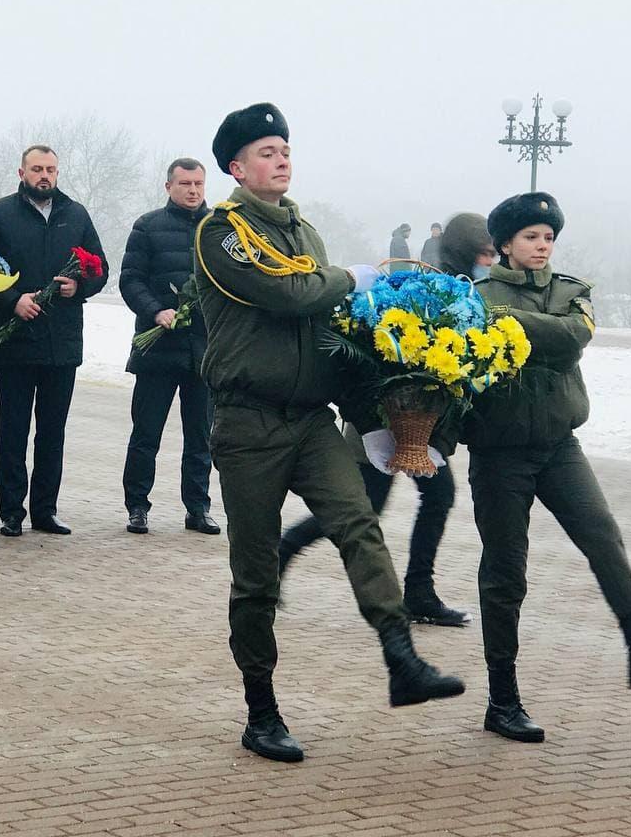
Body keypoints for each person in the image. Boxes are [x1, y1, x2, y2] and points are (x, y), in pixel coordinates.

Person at [195, 103, 463, 763]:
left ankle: (401, 659)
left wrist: (377, 414)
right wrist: (354, 277)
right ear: (236, 167)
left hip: (312, 419)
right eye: (265, 150)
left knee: (358, 524)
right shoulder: (219, 232)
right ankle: (262, 711)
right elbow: (294, 295)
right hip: (248, 423)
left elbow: (326, 328)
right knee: (255, 579)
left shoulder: (305, 233)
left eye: (284, 147)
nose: (281, 158)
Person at [464, 192, 631, 743]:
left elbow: (573, 341)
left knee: (603, 536)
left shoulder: (573, 291)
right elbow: (542, 336)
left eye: (548, 237)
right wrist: (532, 328)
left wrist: (510, 325)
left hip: (558, 446)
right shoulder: (474, 296)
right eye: (531, 237)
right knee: (505, 574)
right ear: (504, 244)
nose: (542, 246)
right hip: (500, 455)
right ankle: (503, 701)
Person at [277, 214, 497, 627]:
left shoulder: (466, 297)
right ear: (466, 253)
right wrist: (375, 423)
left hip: (422, 427)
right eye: (484, 253)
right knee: (367, 508)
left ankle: (418, 592)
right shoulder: (415, 288)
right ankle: (284, 550)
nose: (490, 260)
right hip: (378, 423)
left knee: (436, 497)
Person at [0, 145, 108, 537]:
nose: (44, 175)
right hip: (14, 343)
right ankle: (11, 511)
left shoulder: (75, 214)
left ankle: (45, 510)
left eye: (50, 169)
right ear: (21, 172)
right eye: (36, 169)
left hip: (61, 344)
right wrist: (12, 301)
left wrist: (78, 286)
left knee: (52, 431)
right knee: (12, 430)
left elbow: (100, 267)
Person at [118, 157, 217, 535]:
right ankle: (138, 506)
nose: (193, 190)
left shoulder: (217, 229)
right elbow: (131, 280)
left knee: (200, 438)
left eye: (198, 184)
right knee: (146, 435)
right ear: (169, 187)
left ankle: (198, 508)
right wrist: (156, 311)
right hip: (157, 351)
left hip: (203, 352)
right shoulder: (148, 227)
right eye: (185, 184)